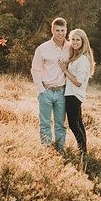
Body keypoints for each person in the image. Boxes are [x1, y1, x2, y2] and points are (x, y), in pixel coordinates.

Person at [31, 17, 70, 149]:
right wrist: (41, 90)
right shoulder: (43, 48)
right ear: (52, 30)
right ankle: (46, 149)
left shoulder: (70, 48)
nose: (60, 33)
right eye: (57, 30)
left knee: (60, 124)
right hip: (46, 91)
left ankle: (60, 149)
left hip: (62, 92)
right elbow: (35, 69)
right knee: (45, 123)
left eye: (63, 30)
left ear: (66, 30)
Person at [59, 28, 94, 154]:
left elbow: (78, 82)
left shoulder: (82, 59)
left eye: (77, 40)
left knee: (73, 124)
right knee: (78, 122)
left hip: (74, 95)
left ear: (83, 41)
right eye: (72, 39)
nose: (74, 42)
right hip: (73, 94)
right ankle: (84, 149)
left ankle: (82, 150)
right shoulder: (77, 56)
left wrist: (65, 70)